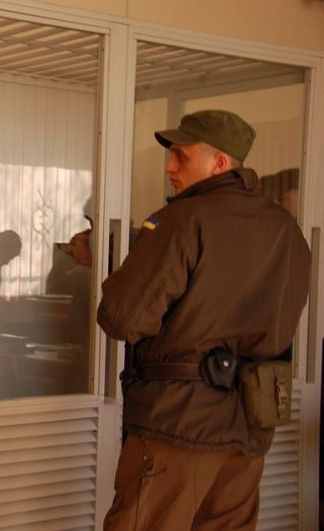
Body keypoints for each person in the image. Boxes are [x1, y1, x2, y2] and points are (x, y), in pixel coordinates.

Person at [97, 110, 311, 529]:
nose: (169, 166)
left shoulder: (181, 221)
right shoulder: (286, 229)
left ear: (219, 162)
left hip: (180, 420)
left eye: (181, 155)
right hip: (252, 419)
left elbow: (123, 318)